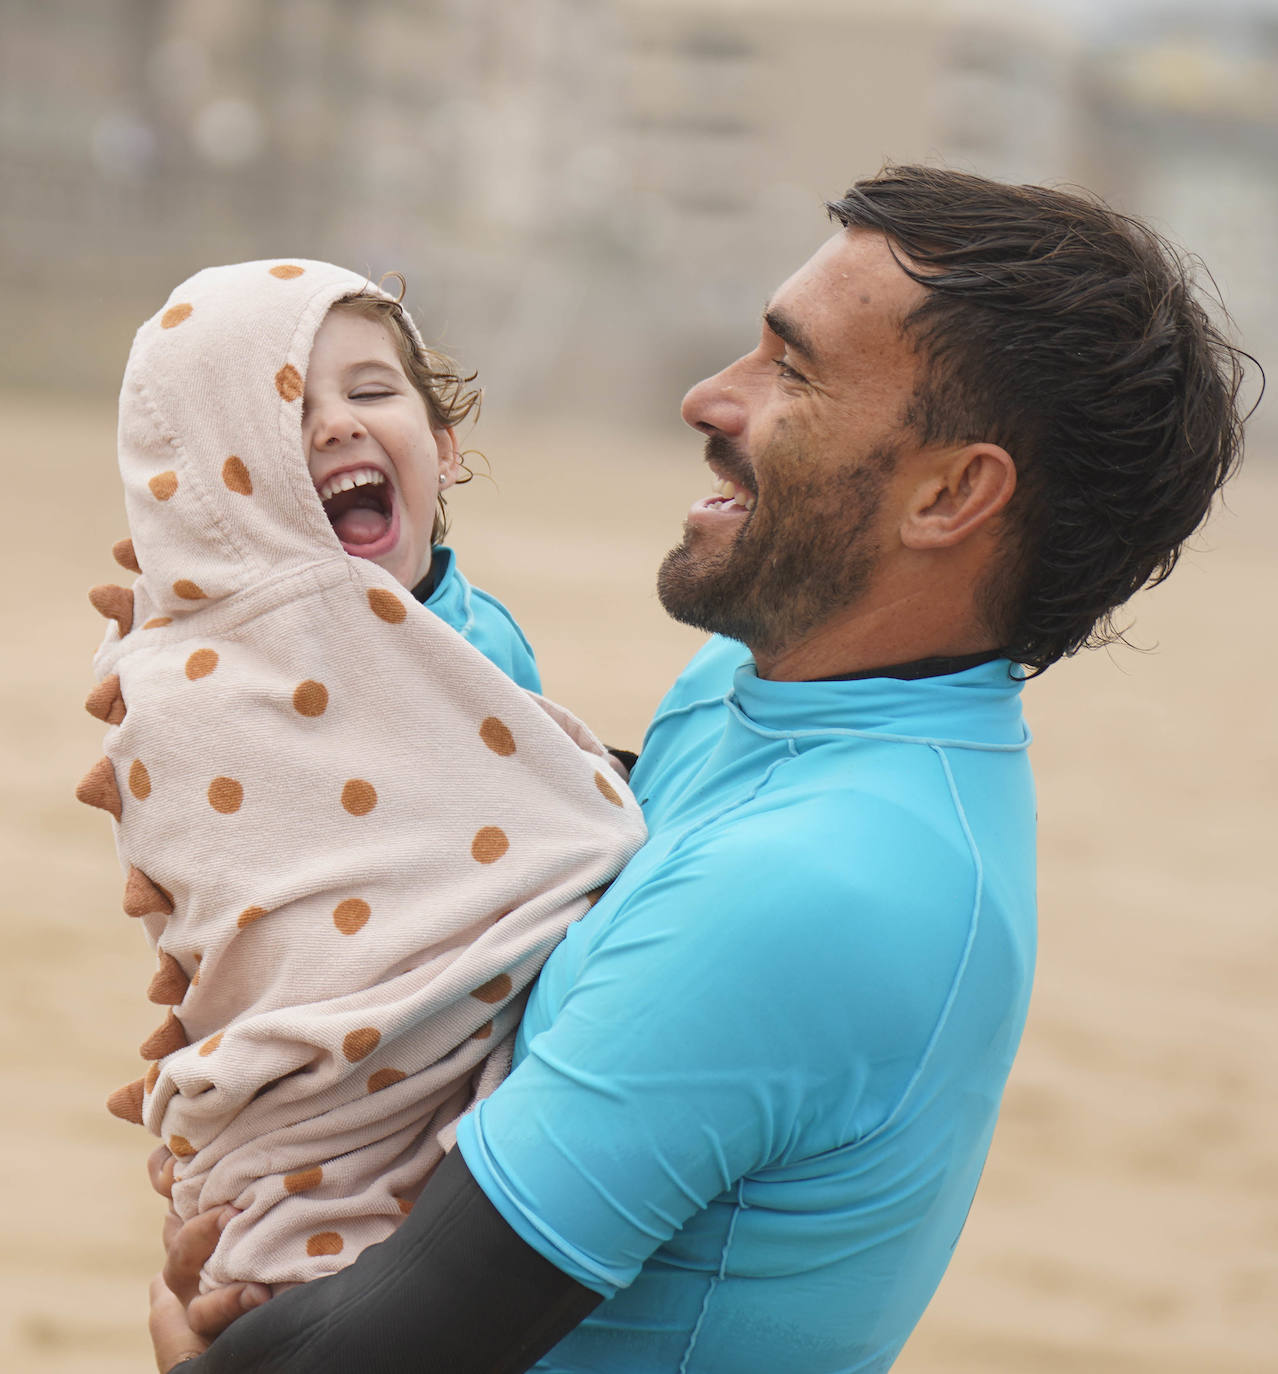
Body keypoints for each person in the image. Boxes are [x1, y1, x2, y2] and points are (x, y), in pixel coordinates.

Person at [149, 166, 1248, 1374]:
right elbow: (544, 832)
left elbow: (378, 1354)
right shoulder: (768, 692)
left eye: (793, 368)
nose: (706, 396)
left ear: (951, 494)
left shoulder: (824, 890)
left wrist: (189, 1342)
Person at [77, 258, 645, 1295]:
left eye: (372, 392)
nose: (336, 423)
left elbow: (544, 833)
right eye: (286, 413)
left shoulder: (484, 648)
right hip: (311, 1095)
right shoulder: (197, 682)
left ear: (444, 450)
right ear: (217, 475)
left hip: (484, 1067)